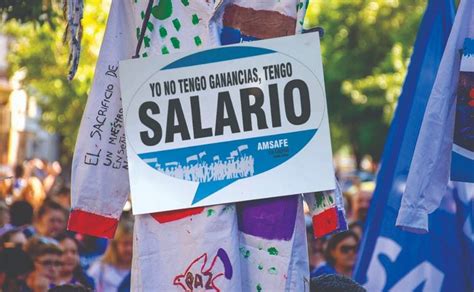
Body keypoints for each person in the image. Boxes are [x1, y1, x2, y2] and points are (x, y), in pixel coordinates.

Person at [87, 219, 133, 292]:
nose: (130, 249)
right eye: (125, 243)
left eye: (133, 244)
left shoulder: (142, 270)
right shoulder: (99, 268)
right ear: (115, 245)